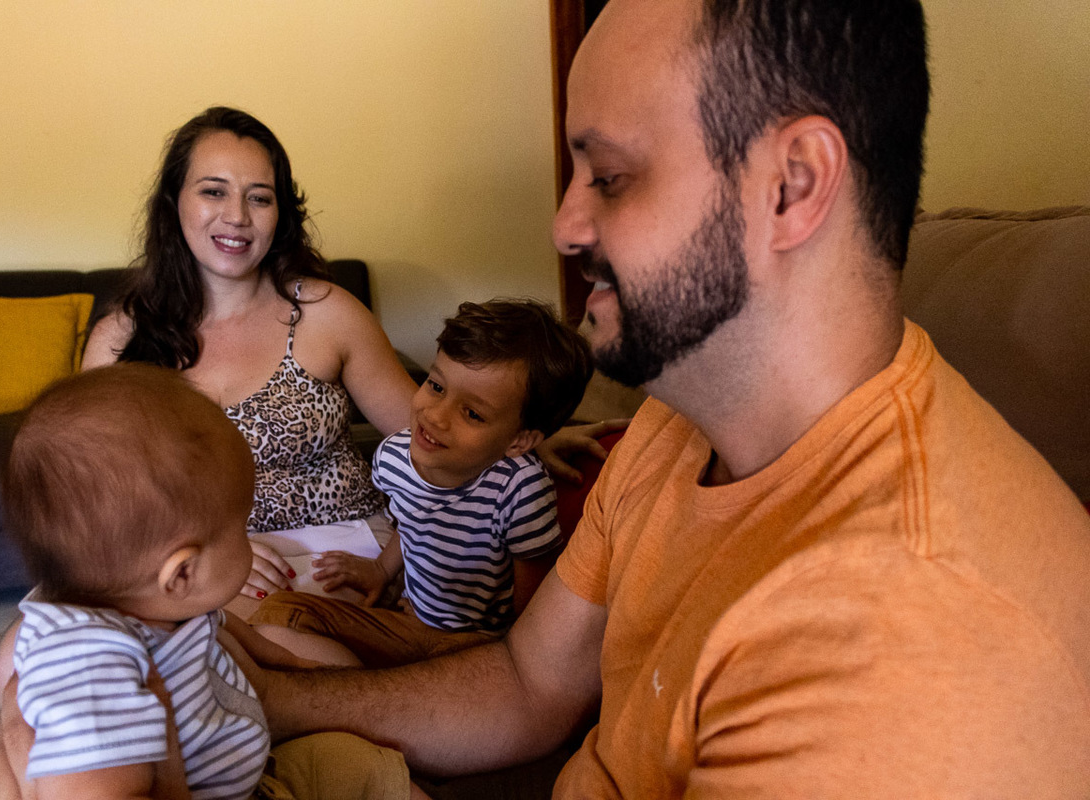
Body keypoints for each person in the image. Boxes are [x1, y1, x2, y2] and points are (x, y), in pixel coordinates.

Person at [244, 0, 1089, 795]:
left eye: (609, 177)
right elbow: (528, 682)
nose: (565, 227)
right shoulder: (675, 423)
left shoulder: (909, 643)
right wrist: (273, 701)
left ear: (792, 186)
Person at [82, 106, 622, 608]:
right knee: (29, 654)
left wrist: (531, 439)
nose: (237, 216)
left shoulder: (327, 311)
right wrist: (211, 552)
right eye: (213, 192)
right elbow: (98, 495)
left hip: (342, 553)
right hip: (195, 559)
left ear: (281, 212)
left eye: (260, 197)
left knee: (238, 642)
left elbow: (427, 428)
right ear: (173, 201)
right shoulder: (119, 340)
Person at [0, 363, 410, 799]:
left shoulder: (158, 603)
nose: (252, 540)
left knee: (364, 762)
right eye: (240, 528)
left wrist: (306, 669)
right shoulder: (91, 668)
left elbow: (244, 638)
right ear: (182, 572)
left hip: (250, 772)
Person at [251, 299, 594, 667]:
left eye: (473, 413)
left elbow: (534, 595)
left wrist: (515, 659)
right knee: (279, 613)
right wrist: (381, 571)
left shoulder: (522, 489)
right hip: (411, 622)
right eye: (435, 386)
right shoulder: (394, 457)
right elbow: (413, 520)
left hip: (482, 645)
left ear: (519, 441)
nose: (435, 416)